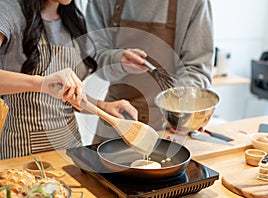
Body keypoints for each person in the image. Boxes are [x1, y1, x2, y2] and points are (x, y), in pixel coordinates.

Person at [0, 0, 138, 159]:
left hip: (70, 152)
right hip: (23, 154)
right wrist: (40, 83)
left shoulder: (72, 19)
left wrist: (103, 106)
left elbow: (64, 94)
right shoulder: (6, 9)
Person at [85, 0, 214, 142]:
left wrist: (182, 109)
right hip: (115, 118)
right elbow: (93, 57)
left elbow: (197, 68)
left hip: (165, 126)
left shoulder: (193, 3)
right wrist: (118, 60)